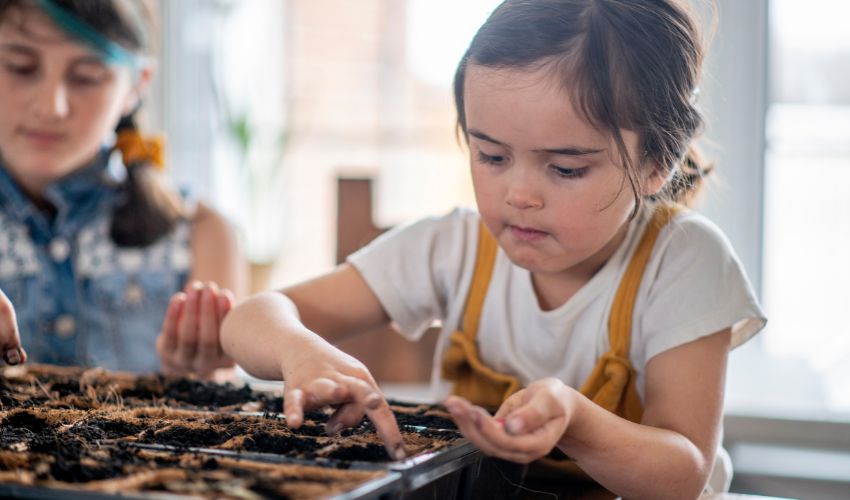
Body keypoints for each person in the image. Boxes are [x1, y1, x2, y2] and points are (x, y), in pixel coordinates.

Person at [220, 0, 766, 496]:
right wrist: (300, 351)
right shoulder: (453, 246)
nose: (520, 195)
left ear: (655, 163)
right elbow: (250, 318)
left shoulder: (684, 261)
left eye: (566, 167)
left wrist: (574, 419)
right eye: (492, 157)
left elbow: (683, 474)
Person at [0, 0, 245, 377]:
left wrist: (196, 378)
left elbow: (220, 408)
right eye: (20, 67)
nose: (51, 106)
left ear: (137, 84)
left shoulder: (201, 235)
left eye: (87, 76)